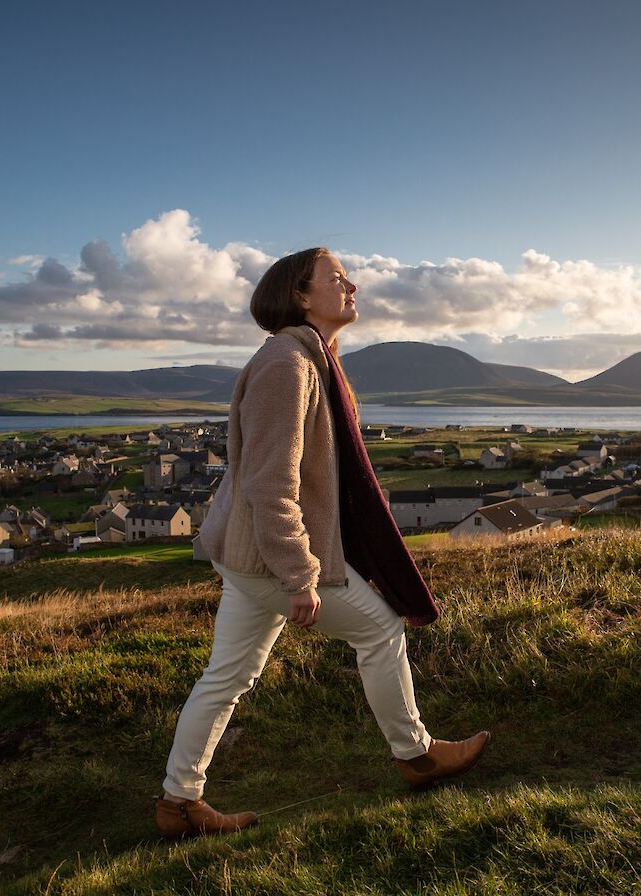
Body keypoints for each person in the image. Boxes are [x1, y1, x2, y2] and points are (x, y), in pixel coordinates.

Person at [155, 247, 491, 838]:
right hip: (267, 556)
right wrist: (300, 575)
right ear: (301, 296)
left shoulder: (311, 358)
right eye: (337, 279)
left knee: (227, 676)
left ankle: (178, 803)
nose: (352, 285)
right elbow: (269, 483)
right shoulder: (289, 364)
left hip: (245, 555)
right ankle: (416, 754)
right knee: (380, 629)